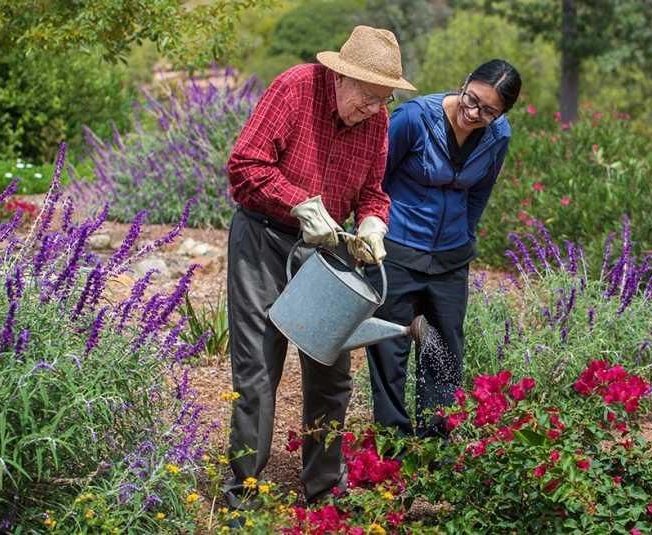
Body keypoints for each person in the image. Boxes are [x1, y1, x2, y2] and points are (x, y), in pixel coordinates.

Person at [223, 25, 415, 508]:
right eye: (370, 98)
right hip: (264, 238)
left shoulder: (375, 119)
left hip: (326, 251)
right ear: (342, 78)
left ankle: (324, 490)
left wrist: (373, 223)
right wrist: (298, 204)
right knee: (259, 371)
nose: (376, 110)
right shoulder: (294, 89)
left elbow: (373, 191)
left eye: (384, 100)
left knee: (331, 370)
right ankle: (243, 494)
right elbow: (245, 166)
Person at [365, 59, 521, 436]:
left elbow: (480, 191)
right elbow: (375, 176)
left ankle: (436, 444)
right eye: (471, 100)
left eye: (488, 111)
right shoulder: (415, 117)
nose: (474, 113)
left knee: (444, 350)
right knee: (391, 347)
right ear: (464, 82)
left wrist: (466, 234)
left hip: (451, 257)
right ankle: (393, 443)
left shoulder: (498, 135)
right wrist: (370, 229)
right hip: (397, 249)